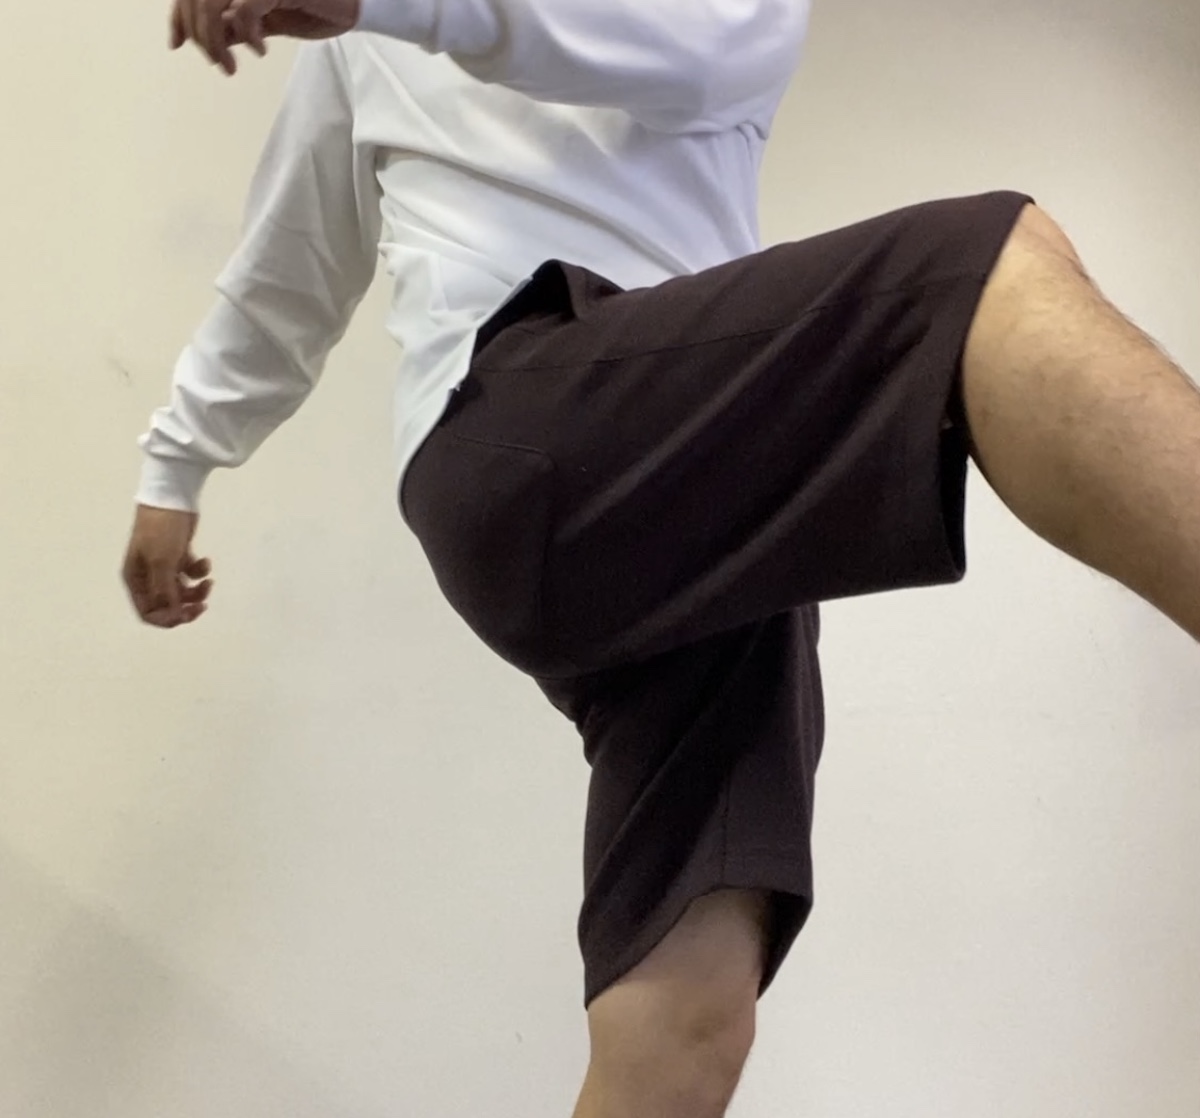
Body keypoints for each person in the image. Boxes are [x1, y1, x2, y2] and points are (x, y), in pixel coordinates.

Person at [122, 0, 1200, 1114]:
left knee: (687, 1015)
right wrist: (176, 464)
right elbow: (289, 266)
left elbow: (711, 54)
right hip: (523, 418)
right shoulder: (362, 34)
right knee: (989, 270)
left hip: (713, 488)